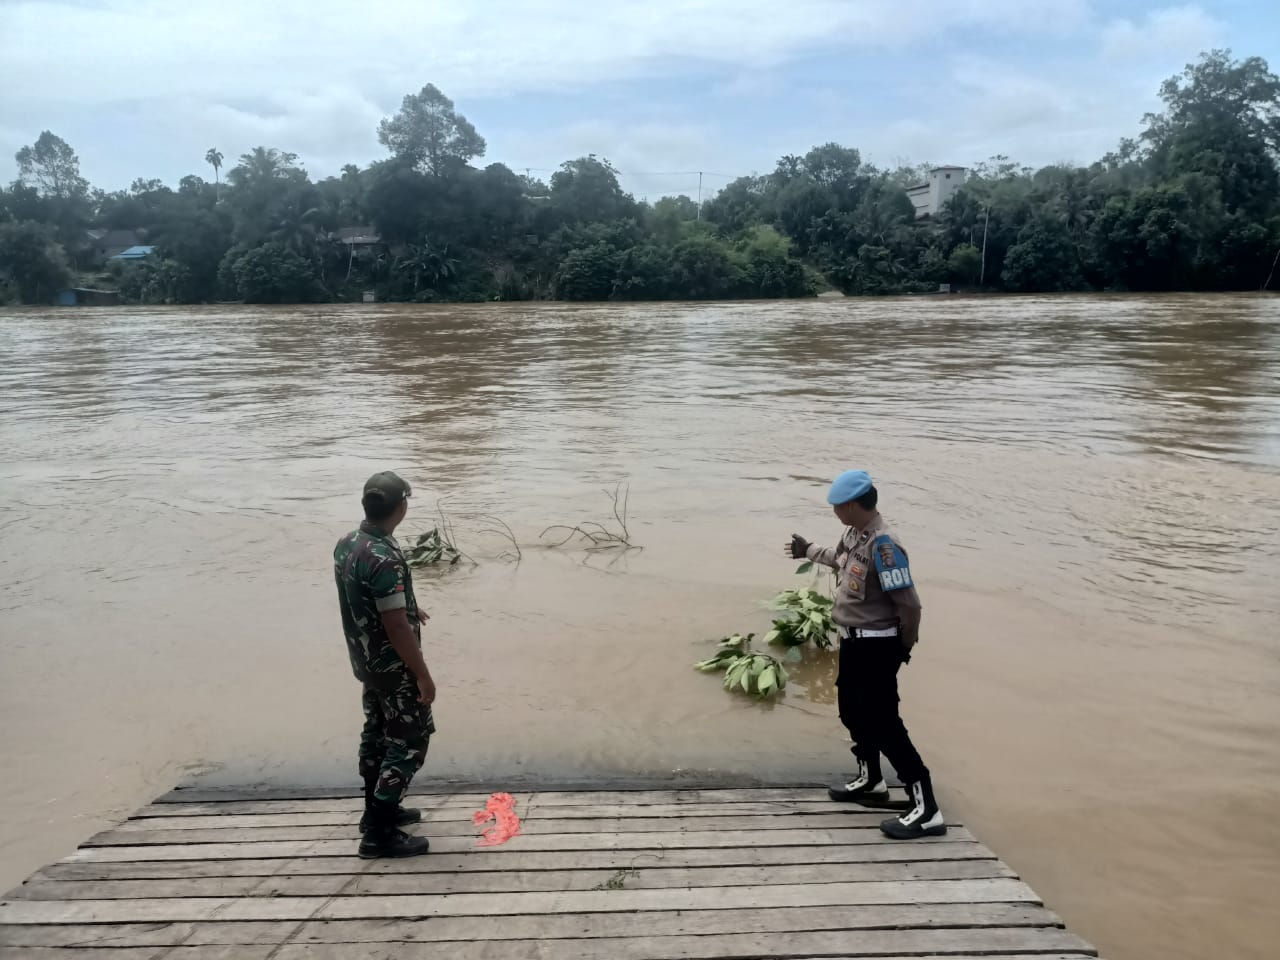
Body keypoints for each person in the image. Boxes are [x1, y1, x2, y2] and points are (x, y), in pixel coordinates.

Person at [786, 469, 945, 840]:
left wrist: (903, 647)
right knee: (851, 711)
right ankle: (872, 780)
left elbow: (910, 606)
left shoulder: (885, 546)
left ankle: (926, 808)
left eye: (838, 506)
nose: (835, 512)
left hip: (878, 646)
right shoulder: (854, 534)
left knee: (886, 724)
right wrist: (808, 550)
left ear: (853, 505)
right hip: (853, 642)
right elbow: (840, 559)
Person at [333, 471, 437, 858]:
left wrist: (410, 606)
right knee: (410, 740)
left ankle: (375, 811)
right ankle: (379, 833)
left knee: (376, 733)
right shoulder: (385, 558)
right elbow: (394, 625)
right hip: (395, 667)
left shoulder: (350, 543)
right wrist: (423, 675)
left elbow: (364, 596)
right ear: (402, 506)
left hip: (366, 661)